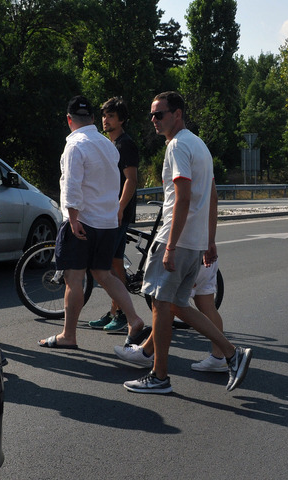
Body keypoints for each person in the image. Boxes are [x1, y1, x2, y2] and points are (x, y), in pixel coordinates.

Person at [118, 91, 251, 394]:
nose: (154, 120)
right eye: (151, 114)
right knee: (178, 305)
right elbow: (211, 195)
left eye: (159, 114)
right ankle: (232, 353)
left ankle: (159, 376)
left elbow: (183, 197)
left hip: (177, 240)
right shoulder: (199, 145)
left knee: (161, 306)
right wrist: (209, 239)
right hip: (195, 240)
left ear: (177, 114)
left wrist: (170, 246)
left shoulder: (178, 145)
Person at [38, 96, 146, 349]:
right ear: (93, 119)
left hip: (83, 221)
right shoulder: (108, 145)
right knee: (104, 274)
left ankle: (68, 335)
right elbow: (116, 182)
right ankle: (134, 318)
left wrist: (73, 218)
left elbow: (72, 184)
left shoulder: (75, 145)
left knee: (74, 279)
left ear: (68, 120)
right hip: (107, 222)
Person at [113, 258, 227, 372]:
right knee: (207, 306)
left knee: (168, 305)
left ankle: (146, 353)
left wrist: (170, 249)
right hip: (205, 259)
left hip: (186, 259)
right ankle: (219, 356)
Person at [88, 97, 142, 334]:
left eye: (111, 116)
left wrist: (119, 208)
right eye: (104, 115)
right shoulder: (110, 144)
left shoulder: (125, 144)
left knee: (106, 264)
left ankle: (120, 313)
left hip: (118, 212)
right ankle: (115, 312)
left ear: (121, 119)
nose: (105, 120)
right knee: (114, 263)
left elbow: (131, 179)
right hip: (111, 211)